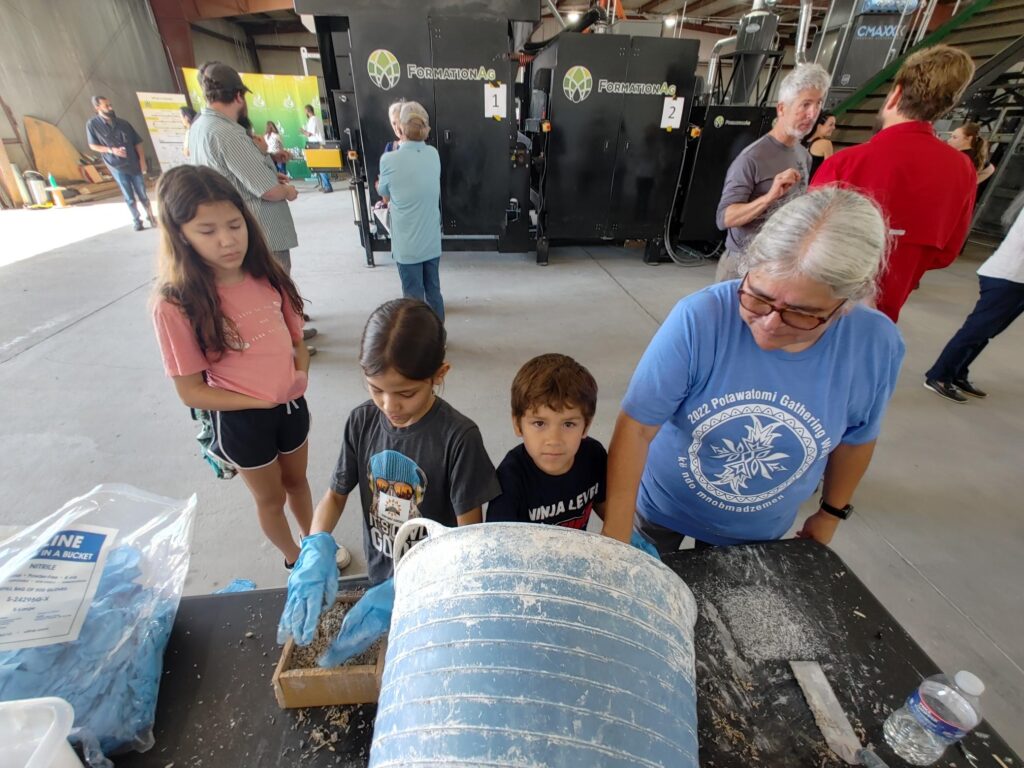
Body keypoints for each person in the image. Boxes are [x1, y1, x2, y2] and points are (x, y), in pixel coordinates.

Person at [601, 187, 905, 553]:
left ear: (845, 303)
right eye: (758, 297)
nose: (770, 323)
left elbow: (857, 438)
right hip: (664, 507)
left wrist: (830, 512)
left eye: (801, 312)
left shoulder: (875, 344)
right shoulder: (700, 318)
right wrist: (617, 531)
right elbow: (636, 426)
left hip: (758, 529)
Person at [149, 165, 350, 571]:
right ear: (179, 235)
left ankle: (312, 542)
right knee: (270, 498)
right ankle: (296, 560)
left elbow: (296, 339)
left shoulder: (266, 276)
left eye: (235, 225)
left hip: (291, 406)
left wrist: (301, 372)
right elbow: (191, 391)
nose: (227, 241)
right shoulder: (175, 304)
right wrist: (260, 401)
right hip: (241, 422)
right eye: (207, 231)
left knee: (298, 482)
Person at [276, 298, 501, 645]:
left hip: (437, 586)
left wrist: (413, 585)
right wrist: (316, 542)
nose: (389, 405)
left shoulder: (458, 438)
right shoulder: (362, 421)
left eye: (406, 393)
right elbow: (335, 496)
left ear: (439, 375)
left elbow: (467, 540)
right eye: (375, 389)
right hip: (380, 576)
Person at [811, 45, 977, 323]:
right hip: (884, 317)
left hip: (816, 312)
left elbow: (802, 242)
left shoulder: (846, 163)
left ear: (897, 93)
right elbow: (946, 253)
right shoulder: (962, 171)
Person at [187, 61, 317, 345]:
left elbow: (237, 175)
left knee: (258, 287)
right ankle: (287, 341)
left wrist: (266, 159)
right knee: (273, 286)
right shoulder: (227, 133)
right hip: (261, 229)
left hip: (239, 225)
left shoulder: (200, 127)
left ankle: (282, 332)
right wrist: (289, 191)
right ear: (238, 96)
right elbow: (267, 190)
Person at [714, 63, 829, 281]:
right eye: (805, 104)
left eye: (818, 104)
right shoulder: (752, 158)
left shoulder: (803, 155)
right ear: (782, 108)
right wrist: (769, 197)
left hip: (779, 263)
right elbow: (725, 218)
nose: (812, 113)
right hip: (743, 265)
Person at [924, 191, 1024, 402]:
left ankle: (957, 373)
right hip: (1006, 278)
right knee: (976, 330)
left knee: (988, 332)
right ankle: (939, 376)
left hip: (1017, 281)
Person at [486, 354, 606, 529]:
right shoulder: (510, 478)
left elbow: (607, 509)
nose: (554, 440)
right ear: (518, 425)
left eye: (568, 424)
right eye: (539, 423)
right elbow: (497, 544)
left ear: (586, 426)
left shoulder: (594, 456)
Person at [379, 102, 445, 323]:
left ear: (400, 128)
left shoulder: (388, 159)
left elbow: (384, 193)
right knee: (433, 291)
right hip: (431, 241)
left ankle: (419, 343)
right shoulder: (433, 155)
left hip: (407, 246)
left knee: (413, 297)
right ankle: (439, 337)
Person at [87, 95, 155, 231]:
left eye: (110, 105)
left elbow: (138, 143)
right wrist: (111, 150)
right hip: (116, 166)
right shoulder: (93, 125)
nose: (110, 108)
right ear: (97, 108)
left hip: (133, 164)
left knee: (142, 193)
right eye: (106, 106)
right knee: (129, 196)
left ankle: (151, 217)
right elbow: (93, 145)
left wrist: (142, 161)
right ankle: (137, 220)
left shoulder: (123, 123)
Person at [300, 104, 334, 193]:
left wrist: (302, 131)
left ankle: (327, 186)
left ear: (307, 111)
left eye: (305, 111)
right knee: (319, 167)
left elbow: (310, 134)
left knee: (320, 166)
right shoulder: (317, 119)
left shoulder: (313, 120)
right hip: (318, 143)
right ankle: (325, 185)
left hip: (316, 144)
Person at [803, 111, 836, 181]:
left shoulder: (803, 141)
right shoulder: (825, 143)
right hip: (814, 188)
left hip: (800, 187)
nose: (834, 127)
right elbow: (830, 171)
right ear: (819, 126)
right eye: (831, 125)